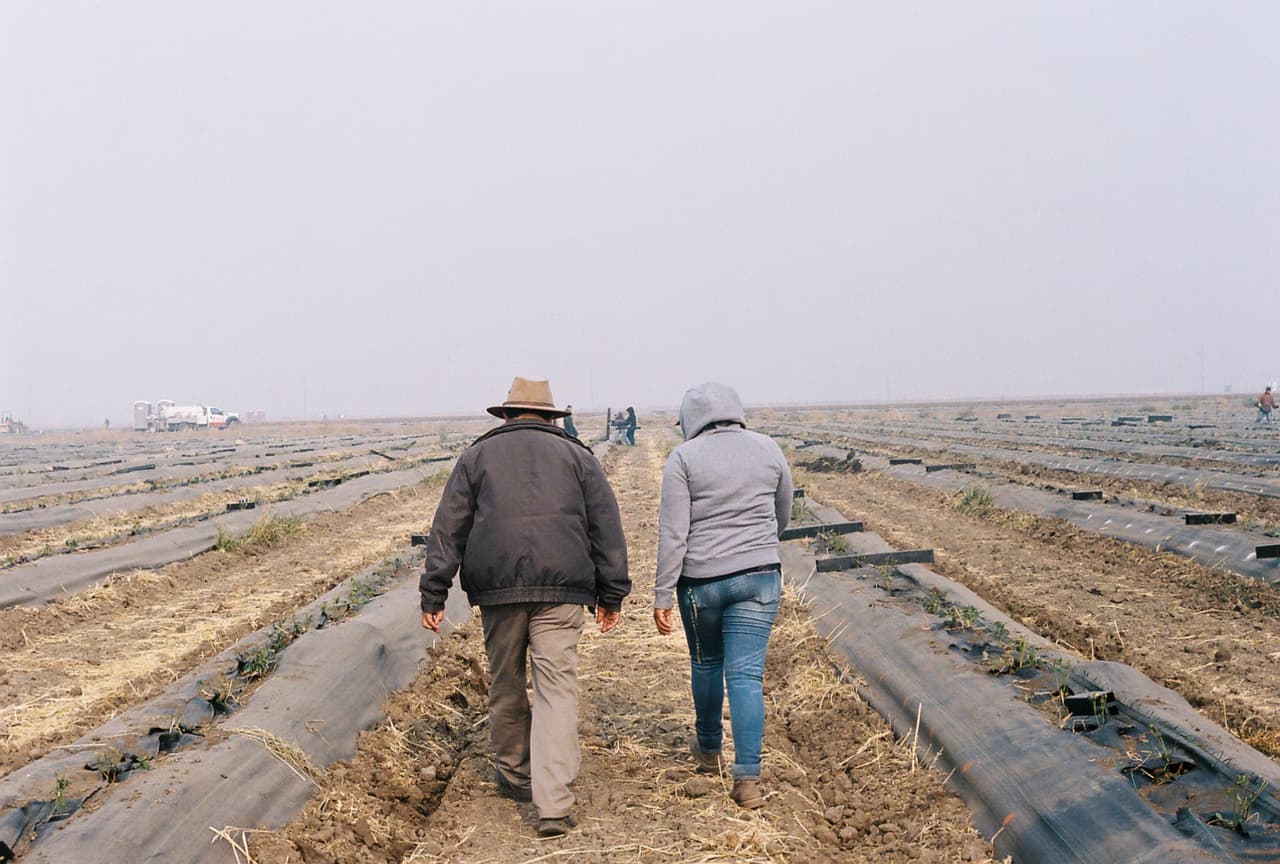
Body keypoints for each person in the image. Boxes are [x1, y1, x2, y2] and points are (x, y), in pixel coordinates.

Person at [420, 377, 630, 837]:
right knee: (557, 689)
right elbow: (606, 529)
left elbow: (447, 529)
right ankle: (552, 804)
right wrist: (611, 594)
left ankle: (517, 778)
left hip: (498, 593)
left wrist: (434, 592)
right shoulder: (579, 457)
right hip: (564, 592)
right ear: (552, 417)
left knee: (506, 682)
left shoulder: (476, 457)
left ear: (509, 414)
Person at [652, 382, 793, 810]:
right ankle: (747, 778)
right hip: (760, 577)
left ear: (691, 420)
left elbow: (674, 533)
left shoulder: (684, 458)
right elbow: (782, 511)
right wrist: (758, 548)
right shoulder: (768, 448)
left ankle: (709, 750)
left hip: (702, 583)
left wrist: (662, 594)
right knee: (747, 676)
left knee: (707, 662)